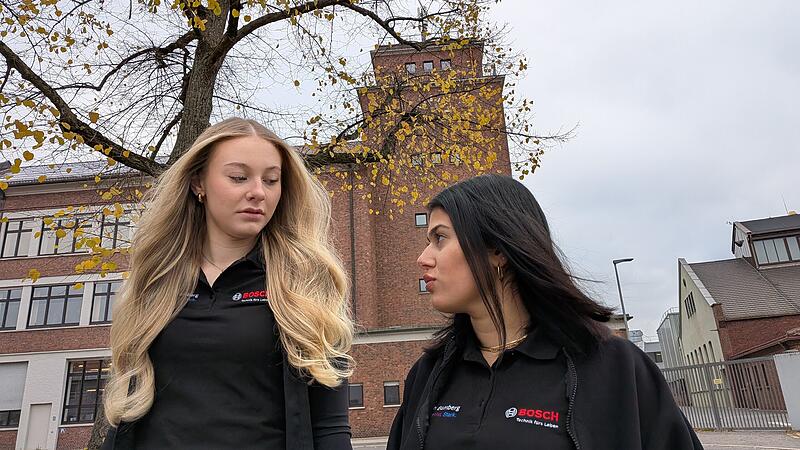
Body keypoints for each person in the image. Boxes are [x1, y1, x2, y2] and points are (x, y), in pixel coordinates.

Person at [387, 174, 702, 450]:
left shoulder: (614, 368)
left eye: (440, 238)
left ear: (497, 249)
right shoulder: (427, 375)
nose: (423, 258)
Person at [100, 118, 354, 450]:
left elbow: (330, 426)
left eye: (271, 180)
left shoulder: (307, 284)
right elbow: (127, 411)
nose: (258, 192)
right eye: (238, 177)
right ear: (197, 183)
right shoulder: (155, 279)